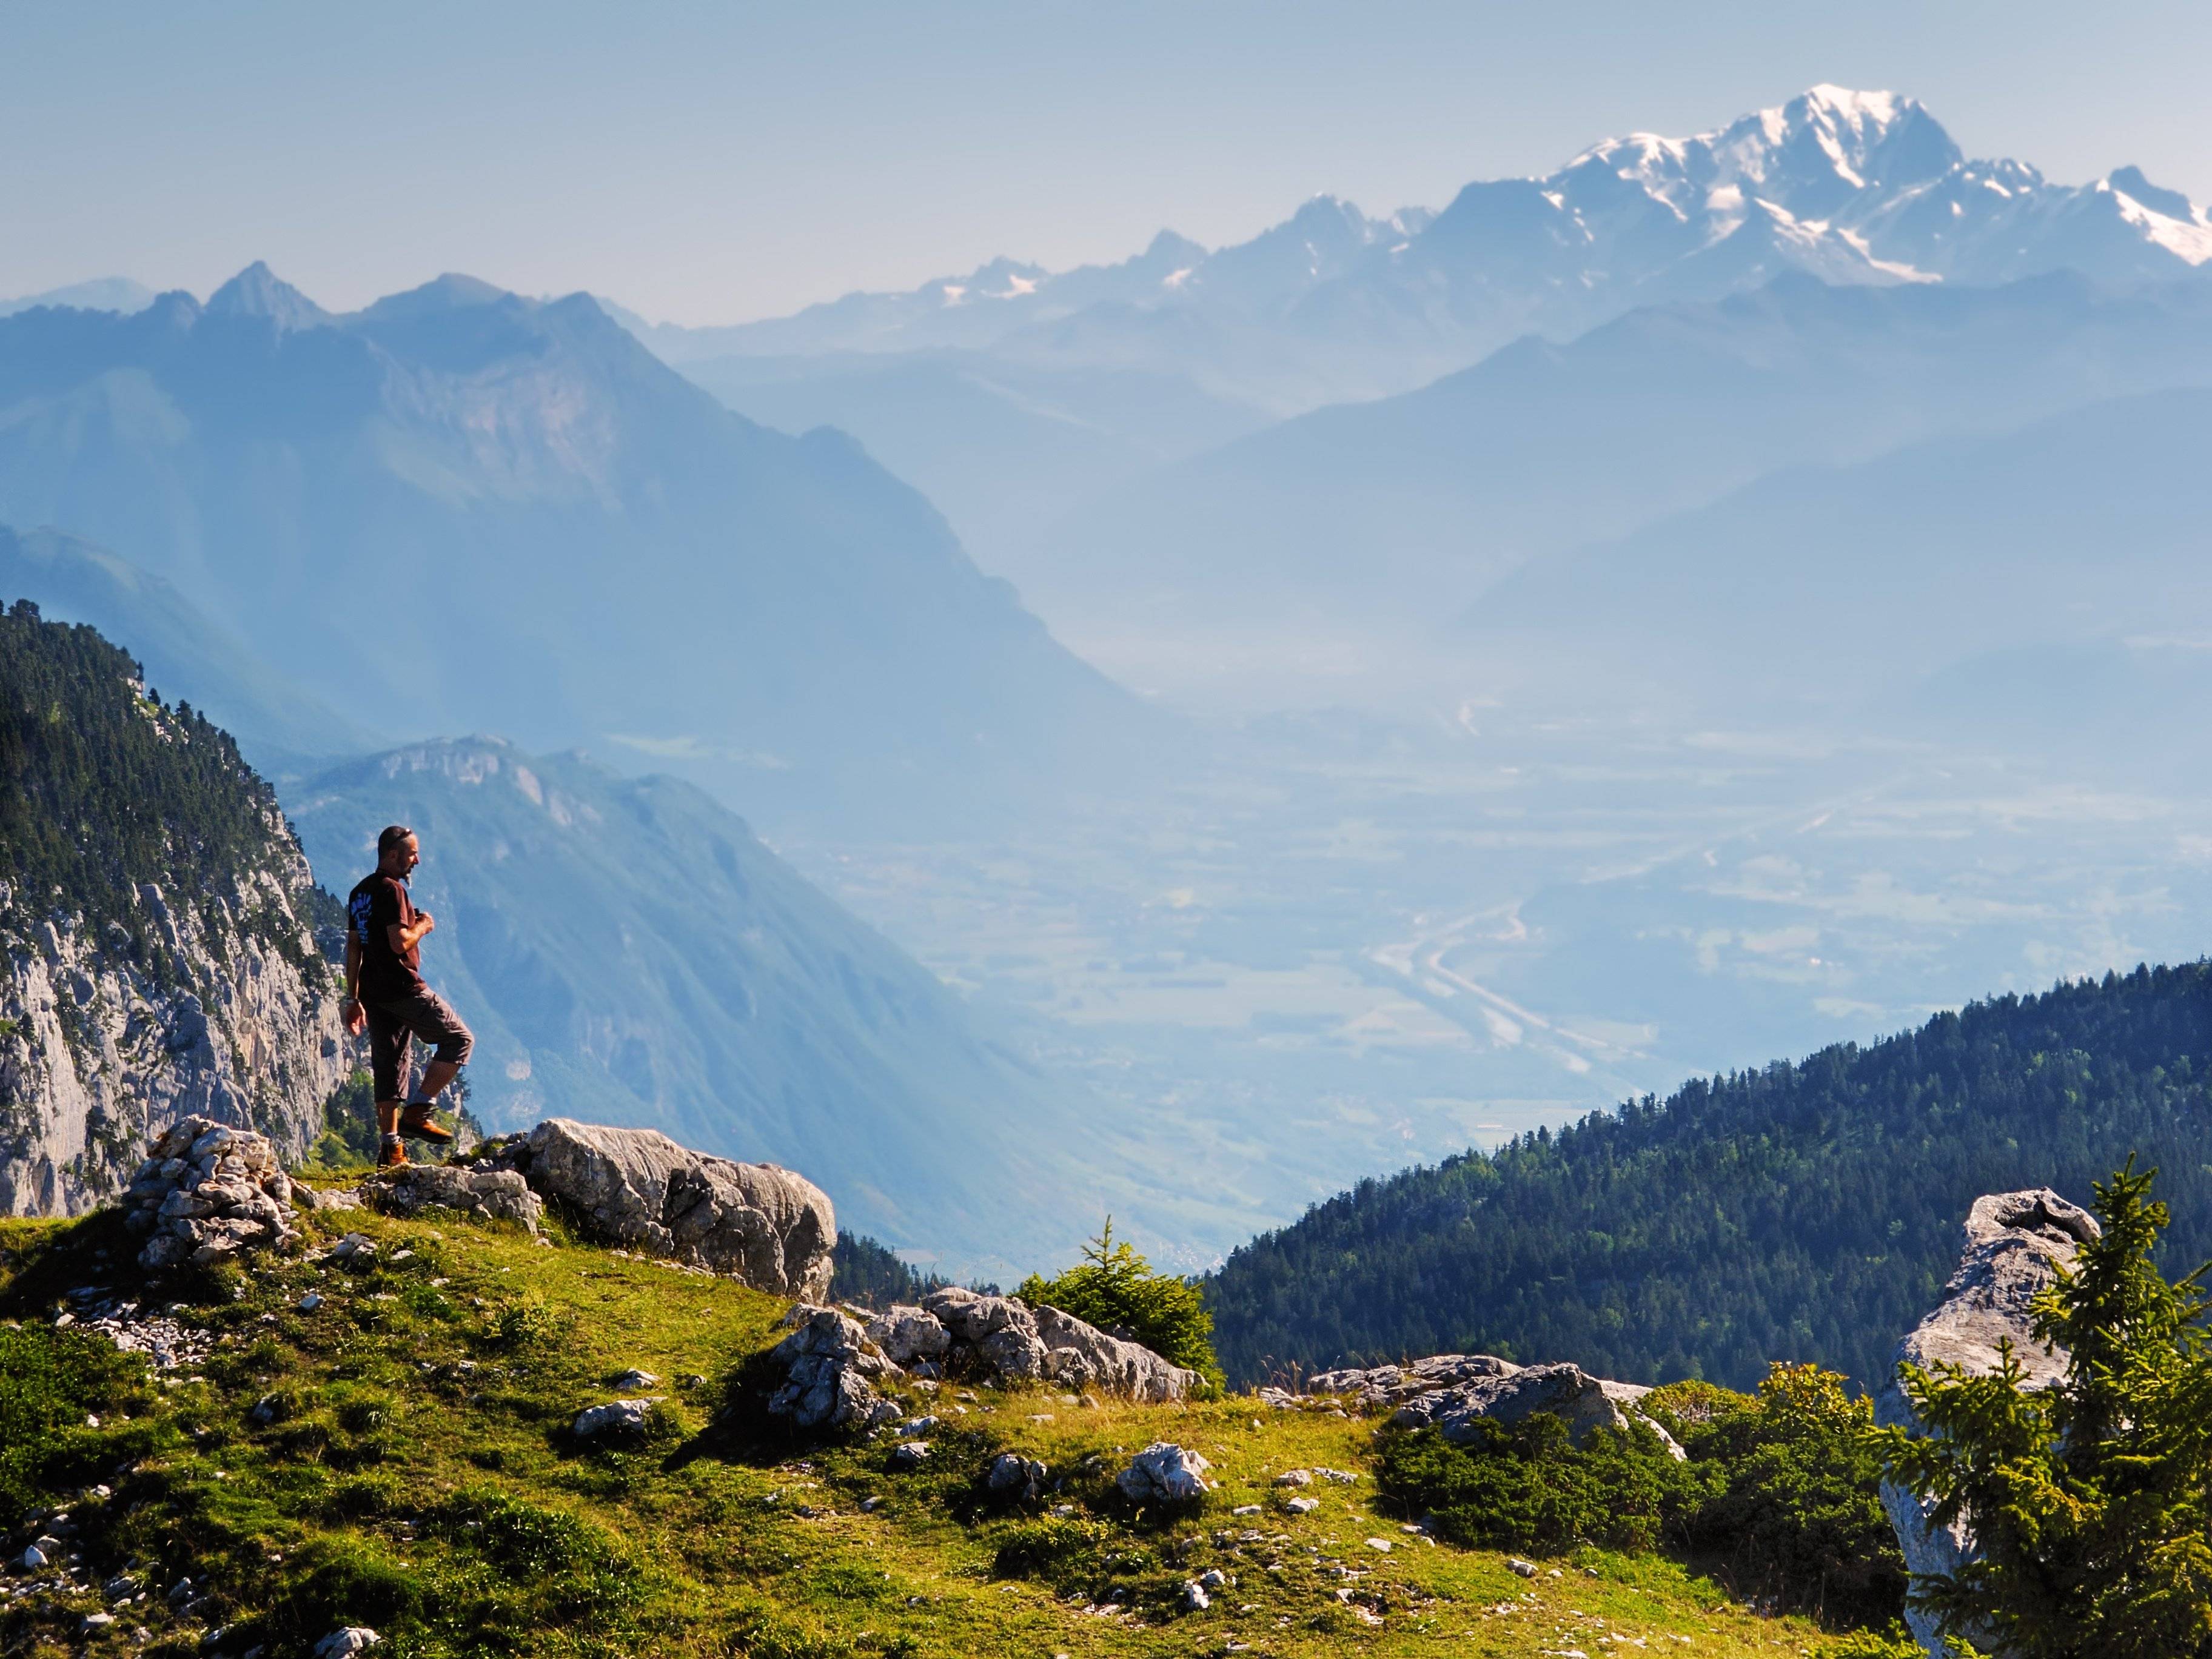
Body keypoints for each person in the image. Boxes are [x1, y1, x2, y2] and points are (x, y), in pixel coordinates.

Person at [342, 824, 474, 1169]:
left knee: (390, 1067)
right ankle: (420, 1109)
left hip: (374, 994)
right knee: (460, 1039)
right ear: (392, 854)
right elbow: (399, 942)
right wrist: (424, 926)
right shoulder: (392, 891)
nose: (417, 860)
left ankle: (391, 1149)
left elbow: (354, 946)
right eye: (412, 853)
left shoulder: (360, 893)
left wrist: (351, 998)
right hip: (403, 988)